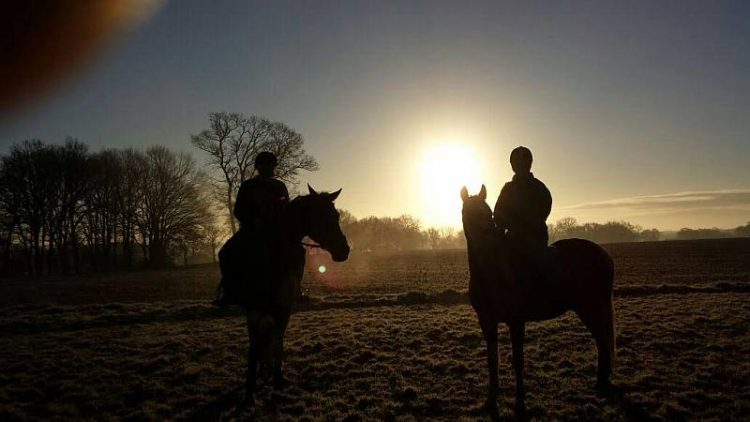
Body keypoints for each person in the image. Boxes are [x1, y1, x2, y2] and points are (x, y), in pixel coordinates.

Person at [215, 152, 290, 306]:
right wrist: (252, 221)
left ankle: (295, 290)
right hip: (251, 230)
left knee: (297, 253)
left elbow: (287, 210)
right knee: (225, 253)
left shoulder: (280, 186)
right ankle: (230, 292)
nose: (270, 169)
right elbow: (238, 210)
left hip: (276, 231)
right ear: (258, 167)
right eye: (266, 166)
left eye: (271, 166)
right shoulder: (247, 186)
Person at [493, 146, 554, 283]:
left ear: (529, 164)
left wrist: (523, 226)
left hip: (535, 239)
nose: (519, 166)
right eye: (516, 163)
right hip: (512, 239)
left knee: (540, 272)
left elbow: (543, 211)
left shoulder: (539, 188)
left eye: (522, 162)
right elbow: (498, 213)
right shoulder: (508, 189)